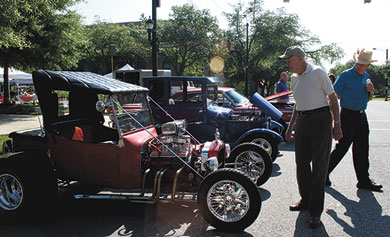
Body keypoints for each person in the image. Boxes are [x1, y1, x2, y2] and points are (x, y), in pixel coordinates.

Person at [280, 46, 343, 229]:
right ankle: (305, 200)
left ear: (300, 58)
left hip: (321, 120)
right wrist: (290, 128)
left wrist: (337, 124)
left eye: (289, 59)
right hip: (302, 121)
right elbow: (297, 106)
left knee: (319, 166)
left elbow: (332, 99)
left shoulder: (317, 72)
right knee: (301, 163)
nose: (287, 62)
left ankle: (315, 211)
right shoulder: (293, 78)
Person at [326, 49, 382, 192]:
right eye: (358, 63)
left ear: (368, 65)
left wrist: (371, 91)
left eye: (362, 64)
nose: (359, 66)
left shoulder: (367, 76)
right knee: (342, 147)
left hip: (362, 115)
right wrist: (335, 121)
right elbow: (333, 97)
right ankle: (323, 173)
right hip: (347, 115)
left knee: (362, 148)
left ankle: (363, 180)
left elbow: (368, 98)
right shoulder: (345, 75)